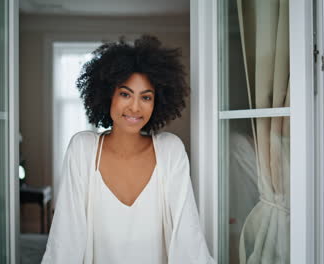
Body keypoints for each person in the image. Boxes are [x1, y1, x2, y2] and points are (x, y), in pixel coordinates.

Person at [41, 35, 215, 264]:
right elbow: (65, 238)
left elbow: (188, 234)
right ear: (107, 95)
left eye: (146, 97)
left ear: (157, 103)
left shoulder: (170, 150)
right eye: (125, 94)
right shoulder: (83, 150)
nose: (135, 107)